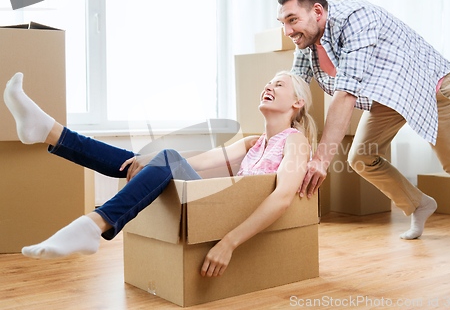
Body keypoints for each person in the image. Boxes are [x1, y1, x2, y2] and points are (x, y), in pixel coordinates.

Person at [3, 70, 317, 277]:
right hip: (215, 206)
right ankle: (50, 132)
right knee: (149, 160)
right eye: (268, 82)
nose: (268, 86)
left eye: (279, 84)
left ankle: (93, 220)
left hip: (225, 219)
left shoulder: (296, 141)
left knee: (163, 159)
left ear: (297, 103)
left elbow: (282, 198)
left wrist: (228, 243)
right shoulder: (252, 142)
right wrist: (151, 158)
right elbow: (198, 163)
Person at [276, 0, 450, 239]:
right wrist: (276, 140)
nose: (287, 30)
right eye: (282, 22)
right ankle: (419, 204)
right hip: (391, 95)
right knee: (361, 158)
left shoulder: (357, 18)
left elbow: (346, 93)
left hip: (432, 86)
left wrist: (321, 160)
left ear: (317, 11)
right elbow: (297, 88)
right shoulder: (307, 40)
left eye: (292, 20)